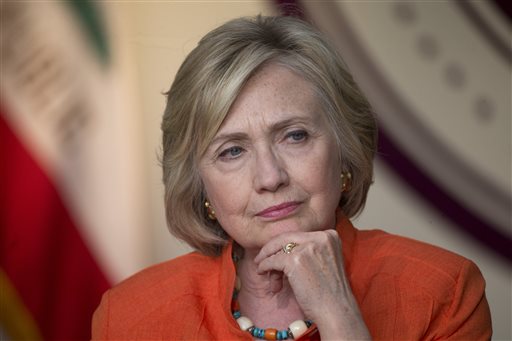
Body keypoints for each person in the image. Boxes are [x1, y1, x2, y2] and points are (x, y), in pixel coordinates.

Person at [91, 15, 492, 340]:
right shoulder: (129, 317)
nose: (270, 177)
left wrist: (339, 316)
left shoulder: (443, 292)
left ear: (344, 148)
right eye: (232, 151)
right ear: (199, 185)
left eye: (294, 135)